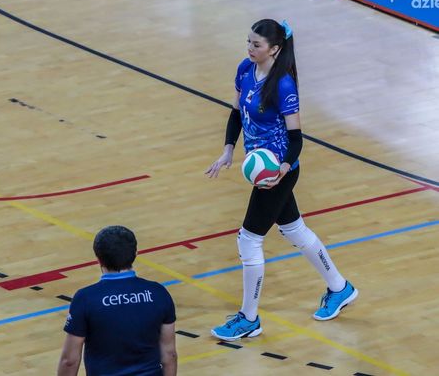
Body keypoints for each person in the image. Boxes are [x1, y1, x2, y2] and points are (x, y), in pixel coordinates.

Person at [205, 19, 358, 341]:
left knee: (249, 239)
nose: (249, 48)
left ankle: (249, 318)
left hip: (278, 170)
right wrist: (228, 150)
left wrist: (283, 170)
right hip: (260, 166)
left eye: (256, 45)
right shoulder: (244, 69)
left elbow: (297, 139)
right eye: (248, 42)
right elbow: (236, 114)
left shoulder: (284, 85)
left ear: (274, 49)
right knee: (293, 229)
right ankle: (340, 288)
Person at [57, 225, 177, 375]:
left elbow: (69, 361)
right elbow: (169, 354)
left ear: (98, 259)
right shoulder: (158, 293)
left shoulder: (85, 299)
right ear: (135, 254)